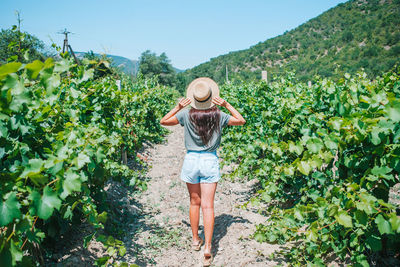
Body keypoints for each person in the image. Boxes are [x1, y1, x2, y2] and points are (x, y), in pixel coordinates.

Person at [160, 77, 245, 266]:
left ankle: (195, 240)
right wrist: (226, 104)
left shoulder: (186, 115)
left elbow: (163, 121)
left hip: (191, 160)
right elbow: (241, 120)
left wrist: (177, 107)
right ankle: (208, 248)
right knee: (208, 206)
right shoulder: (219, 116)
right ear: (211, 97)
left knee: (194, 202)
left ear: (194, 98)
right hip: (209, 160)